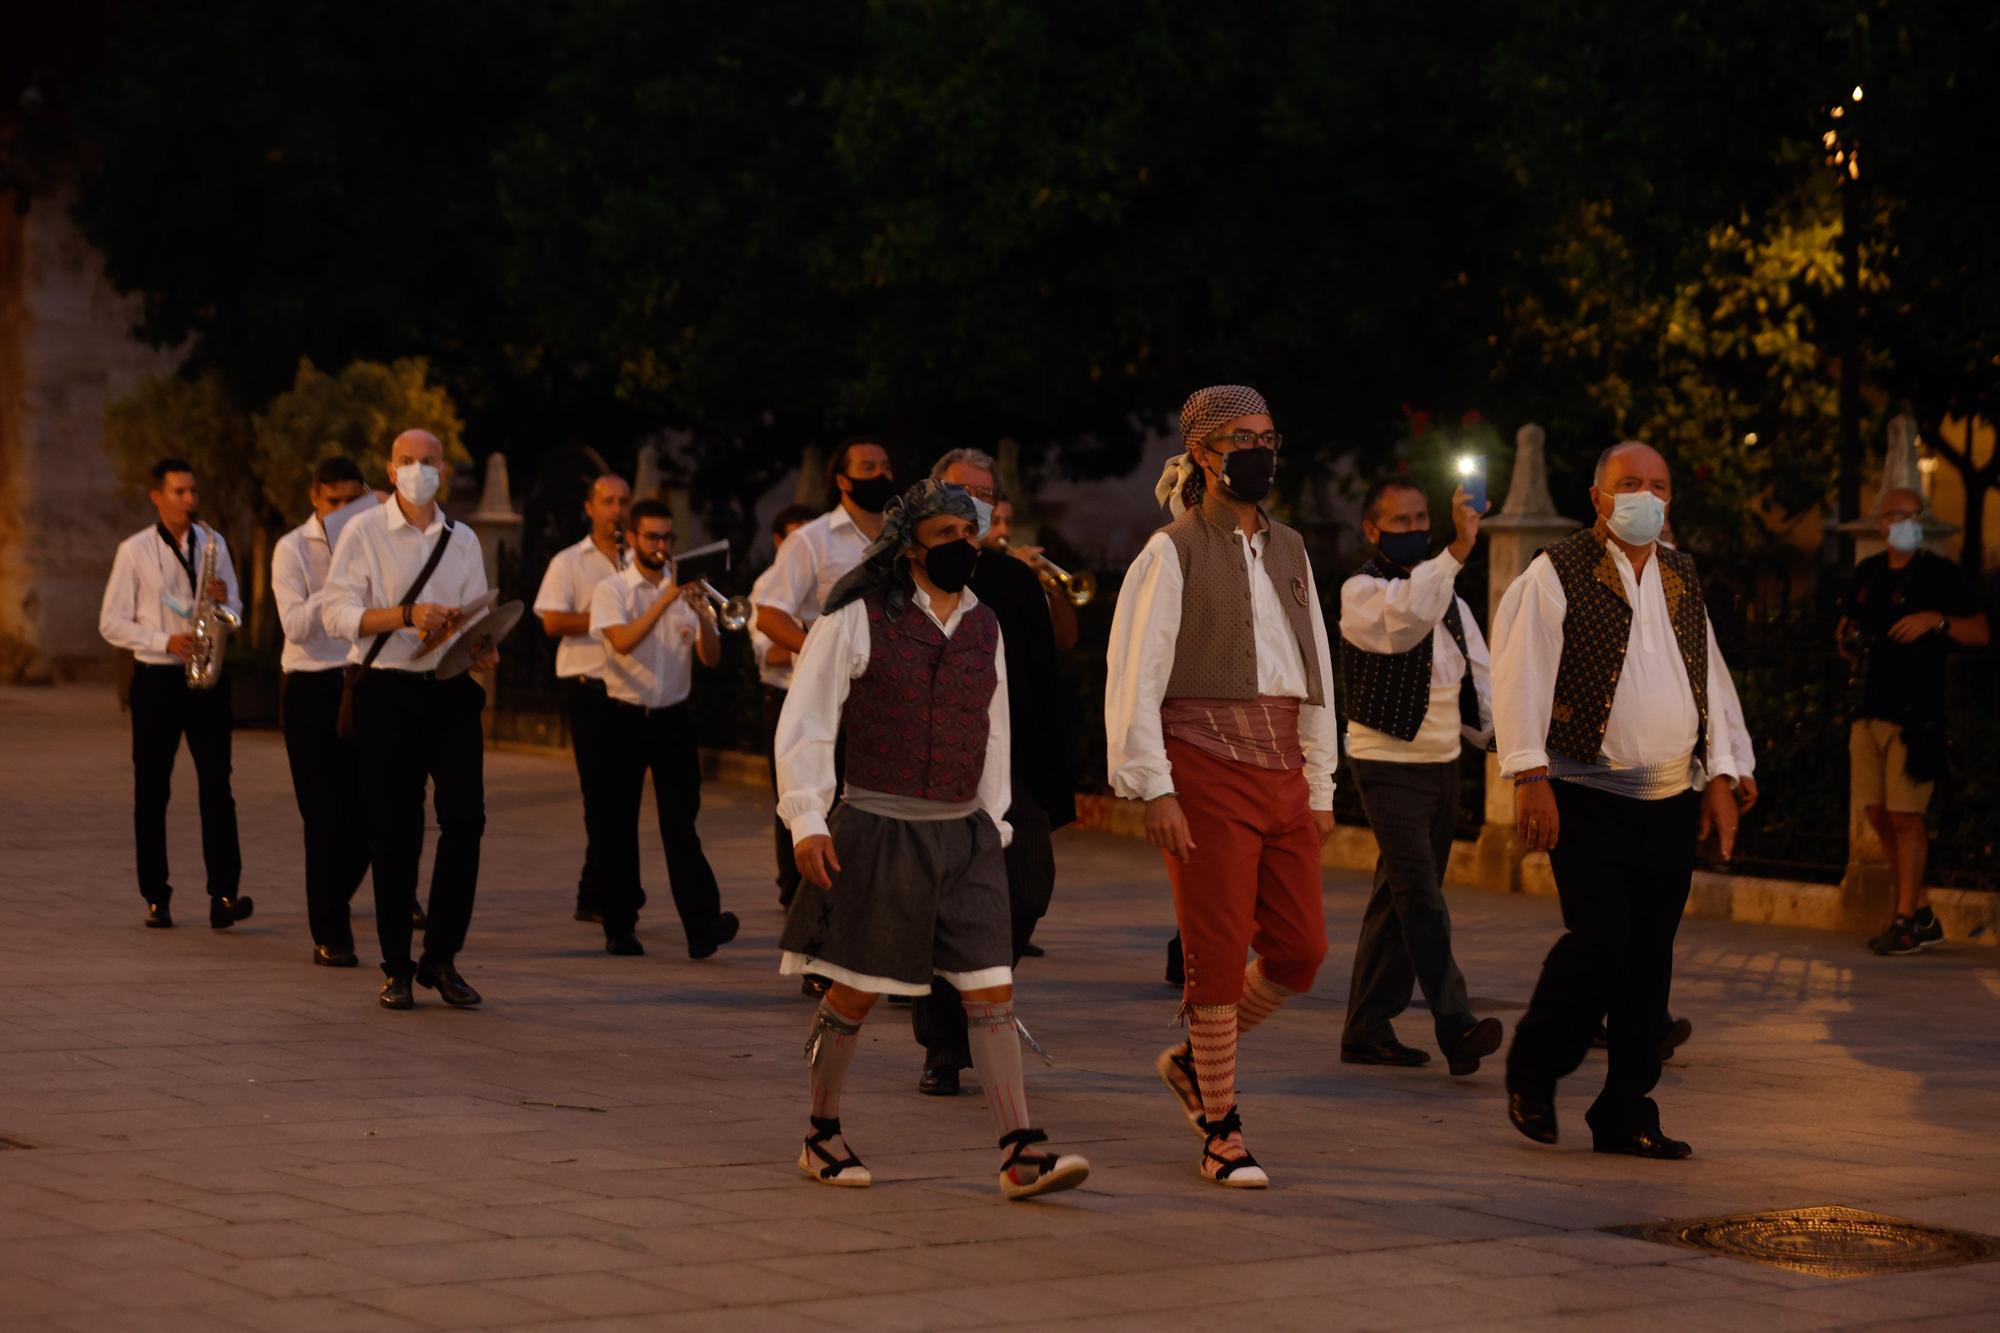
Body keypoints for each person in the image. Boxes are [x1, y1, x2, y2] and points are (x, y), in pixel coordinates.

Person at [775, 479, 1090, 1200]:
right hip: (879, 828)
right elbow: (807, 721)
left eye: (969, 534)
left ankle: (1019, 1151)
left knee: (992, 988)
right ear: (910, 543)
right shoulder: (856, 616)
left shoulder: (985, 622)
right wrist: (808, 820)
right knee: (854, 992)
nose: (963, 546)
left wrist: (995, 821)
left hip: (965, 833)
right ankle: (822, 1134)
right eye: (947, 534)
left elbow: (995, 726)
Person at [1105, 384, 1338, 1189]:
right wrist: (1153, 787)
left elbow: (1316, 672)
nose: (1258, 449)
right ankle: (1222, 1128)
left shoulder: (1292, 548)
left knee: (1302, 949)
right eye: (1240, 436)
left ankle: (1193, 1061)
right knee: (1213, 949)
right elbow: (1134, 676)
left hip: (1283, 765)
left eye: (1267, 435)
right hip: (1202, 764)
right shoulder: (1170, 550)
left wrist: (1321, 782)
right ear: (1203, 452)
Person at [1493, 441, 1753, 1160]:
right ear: (1599, 497)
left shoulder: (1681, 575)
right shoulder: (1556, 572)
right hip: (1586, 792)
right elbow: (1520, 674)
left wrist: (1723, 772)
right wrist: (1528, 774)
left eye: (1659, 485)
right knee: (1602, 944)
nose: (1646, 495)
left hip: (1670, 794)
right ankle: (1535, 1069)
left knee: (1650, 962)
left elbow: (1711, 677)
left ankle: (1626, 1108)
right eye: (1630, 483)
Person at [908, 449, 1077, 1097]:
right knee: (939, 899)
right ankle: (944, 1044)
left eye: (983, 494)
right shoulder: (907, 574)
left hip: (1014, 766)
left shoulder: (1011, 578)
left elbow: (1045, 671)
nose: (971, 502)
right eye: (958, 490)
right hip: (937, 764)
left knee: (1029, 886)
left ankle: (978, 989)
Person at [322, 429, 497, 1010]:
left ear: (443, 469)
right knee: (395, 831)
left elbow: (475, 615)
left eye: (428, 461)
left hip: (449, 691)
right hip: (385, 692)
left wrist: (479, 643)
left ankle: (441, 959)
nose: (418, 469)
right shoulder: (363, 530)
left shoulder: (463, 538)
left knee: (466, 822)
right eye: (407, 461)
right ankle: (396, 966)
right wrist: (405, 614)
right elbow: (335, 612)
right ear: (390, 471)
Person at [1337, 476, 1502, 1075]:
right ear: (1372, 530)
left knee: (1398, 896)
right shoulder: (1362, 591)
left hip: (1441, 765)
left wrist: (1509, 747)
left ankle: (1365, 1028)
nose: (1414, 531)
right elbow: (1403, 623)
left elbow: (1479, 680)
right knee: (1421, 898)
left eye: (1419, 520)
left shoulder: (1451, 600)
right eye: (1400, 522)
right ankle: (1456, 1025)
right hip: (1386, 764)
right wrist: (1457, 550)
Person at [756, 437, 892, 996]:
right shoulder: (811, 541)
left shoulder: (902, 534)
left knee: (873, 829)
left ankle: (869, 947)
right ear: (842, 480)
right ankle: (817, 948)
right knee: (822, 825)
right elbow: (768, 614)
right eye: (868, 467)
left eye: (885, 466)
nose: (880, 474)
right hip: (824, 704)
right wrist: (822, 651)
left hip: (881, 703)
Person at [98, 457, 249, 930]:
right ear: (157, 496)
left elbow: (237, 611)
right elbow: (111, 622)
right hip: (158, 678)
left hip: (207, 678)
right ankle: (156, 896)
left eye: (192, 492)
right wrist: (163, 641)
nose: (189, 500)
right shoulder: (135, 550)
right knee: (152, 790)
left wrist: (224, 602)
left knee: (217, 788)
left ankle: (223, 894)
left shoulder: (214, 543)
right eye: (180, 492)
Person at [1839, 488, 1989, 956]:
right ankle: (1921, 910)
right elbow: (1845, 631)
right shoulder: (1867, 574)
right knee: (1876, 813)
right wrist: (1847, 639)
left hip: (1916, 716)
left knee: (1907, 816)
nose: (1907, 523)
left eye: (1914, 516)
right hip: (1868, 709)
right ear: (1881, 524)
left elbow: (1981, 633)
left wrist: (1936, 621)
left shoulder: (1940, 575)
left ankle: (1905, 919)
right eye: (1898, 516)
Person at [588, 498, 740, 958]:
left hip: (673, 720)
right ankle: (619, 925)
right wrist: (667, 598)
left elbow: (710, 658)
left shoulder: (687, 592)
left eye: (667, 538)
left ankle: (702, 926)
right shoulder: (613, 590)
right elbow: (623, 643)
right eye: (651, 537)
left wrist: (701, 615)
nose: (660, 545)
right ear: (632, 539)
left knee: (682, 826)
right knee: (618, 826)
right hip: (622, 717)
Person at [272, 456, 373, 965]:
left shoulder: (376, 544)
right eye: (334, 501)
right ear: (316, 498)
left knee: (374, 812)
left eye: (353, 501)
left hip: (359, 679)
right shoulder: (292, 548)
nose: (343, 511)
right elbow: (295, 625)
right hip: (310, 686)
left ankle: (333, 900)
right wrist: (337, 580)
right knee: (323, 816)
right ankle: (330, 933)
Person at [533, 474, 632, 925]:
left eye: (623, 501)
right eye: (607, 501)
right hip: (588, 687)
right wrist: (610, 618)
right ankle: (604, 890)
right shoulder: (569, 561)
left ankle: (597, 891)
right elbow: (552, 622)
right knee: (599, 796)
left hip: (634, 691)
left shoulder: (644, 562)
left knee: (622, 798)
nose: (617, 509)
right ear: (590, 508)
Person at [749, 503, 819, 908]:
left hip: (823, 698)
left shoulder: (826, 582)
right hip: (784, 696)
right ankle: (791, 888)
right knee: (789, 796)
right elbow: (767, 654)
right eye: (797, 539)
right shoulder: (767, 586)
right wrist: (817, 642)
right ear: (779, 541)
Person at [981, 494, 1080, 652]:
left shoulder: (1021, 574)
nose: (1004, 531)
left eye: (1008, 522)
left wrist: (1052, 590)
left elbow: (1066, 639)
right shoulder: (977, 575)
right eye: (995, 522)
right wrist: (1017, 572)